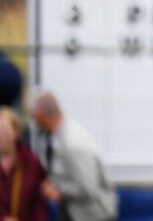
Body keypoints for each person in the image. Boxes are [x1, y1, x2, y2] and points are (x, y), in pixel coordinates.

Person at [29, 91, 117, 221]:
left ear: (42, 115)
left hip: (93, 216)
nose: (34, 123)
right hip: (74, 212)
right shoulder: (56, 135)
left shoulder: (73, 142)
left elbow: (88, 187)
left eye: (34, 117)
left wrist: (59, 190)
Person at [0, 107, 48, 221]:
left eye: (5, 131)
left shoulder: (32, 164)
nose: (1, 136)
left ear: (16, 133)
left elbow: (39, 206)